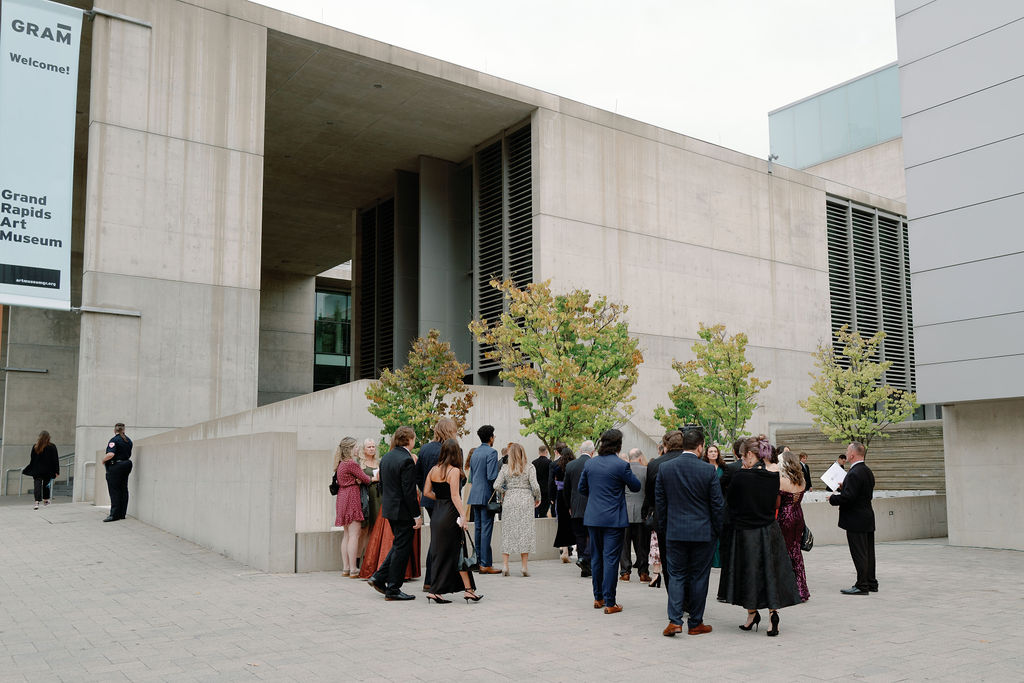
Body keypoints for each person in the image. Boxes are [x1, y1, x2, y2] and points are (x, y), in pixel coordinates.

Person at [717, 436, 801, 637]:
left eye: (743, 455)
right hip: (769, 530)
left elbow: (732, 506)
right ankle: (773, 614)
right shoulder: (773, 477)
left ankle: (752, 614)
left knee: (749, 573)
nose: (742, 459)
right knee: (770, 571)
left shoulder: (740, 477)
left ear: (750, 454)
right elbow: (775, 503)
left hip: (746, 532)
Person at [656, 428, 724, 637]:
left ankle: (675, 621)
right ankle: (695, 622)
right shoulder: (708, 471)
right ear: (701, 446)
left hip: (675, 532)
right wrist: (718, 532)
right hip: (703, 533)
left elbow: (661, 505)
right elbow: (717, 506)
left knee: (676, 575)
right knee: (699, 577)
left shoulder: (665, 468)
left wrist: (665, 530)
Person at [579, 429, 641, 614]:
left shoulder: (590, 464)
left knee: (597, 558)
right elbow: (636, 486)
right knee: (611, 559)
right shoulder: (621, 465)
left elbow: (582, 488)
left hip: (593, 517)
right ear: (618, 445)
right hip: (614, 519)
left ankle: (598, 598)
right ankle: (610, 602)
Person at [422, 439, 482, 604]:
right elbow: (455, 496)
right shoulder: (454, 471)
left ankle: (437, 590)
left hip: (437, 515)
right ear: (456, 454)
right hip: (450, 515)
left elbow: (426, 492)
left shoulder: (433, 469)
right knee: (458, 552)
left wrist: (440, 499)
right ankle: (467, 590)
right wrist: (463, 516)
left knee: (439, 553)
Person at [368, 426, 423, 601]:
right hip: (403, 511)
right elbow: (409, 491)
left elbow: (383, 485)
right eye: (414, 438)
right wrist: (417, 515)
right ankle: (393, 589)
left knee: (398, 545)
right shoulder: (406, 459)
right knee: (402, 549)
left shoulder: (387, 457)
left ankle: (378, 577)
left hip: (390, 508)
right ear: (409, 440)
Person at [829, 442, 877, 595]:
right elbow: (860, 493)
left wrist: (833, 498)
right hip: (867, 517)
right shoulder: (867, 471)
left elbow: (849, 498)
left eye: (847, 451)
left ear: (852, 455)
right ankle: (871, 582)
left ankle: (862, 585)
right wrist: (846, 487)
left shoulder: (855, 472)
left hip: (856, 519)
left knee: (859, 553)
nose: (846, 453)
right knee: (868, 552)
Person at [417, 418, 457, 590]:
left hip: (430, 500)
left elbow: (418, 475)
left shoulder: (425, 449)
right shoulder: (454, 449)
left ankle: (430, 579)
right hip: (448, 501)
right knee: (445, 540)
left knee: (436, 539)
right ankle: (438, 579)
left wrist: (430, 493)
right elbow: (458, 479)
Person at [642, 430, 685, 589]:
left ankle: (674, 595)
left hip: (663, 516)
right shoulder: (696, 462)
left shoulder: (655, 464)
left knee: (668, 561)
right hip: (691, 517)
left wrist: (649, 511)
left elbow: (649, 493)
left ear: (665, 445)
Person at [494, 443, 542, 576]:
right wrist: (537, 497)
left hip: (510, 499)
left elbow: (496, 485)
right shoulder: (530, 467)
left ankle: (505, 566)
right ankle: (524, 567)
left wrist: (505, 492)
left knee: (508, 531)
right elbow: (536, 486)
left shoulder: (505, 468)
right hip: (526, 500)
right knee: (525, 532)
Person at [334, 437, 372, 577]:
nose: (358, 449)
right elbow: (367, 479)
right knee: (354, 535)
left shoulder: (341, 464)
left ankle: (346, 568)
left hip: (342, 497)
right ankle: (354, 568)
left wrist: (357, 479)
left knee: (346, 535)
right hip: (352, 498)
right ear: (350, 449)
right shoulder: (352, 464)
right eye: (356, 447)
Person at [466, 425, 502, 574]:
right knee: (486, 529)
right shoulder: (492, 452)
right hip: (486, 495)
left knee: (479, 529)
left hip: (474, 494)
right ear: (491, 437)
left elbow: (473, 475)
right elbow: (492, 476)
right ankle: (485, 564)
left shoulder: (475, 453)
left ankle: (478, 561)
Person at [777, 451, 810, 602]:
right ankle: (801, 589)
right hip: (798, 515)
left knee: (784, 551)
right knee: (796, 551)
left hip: (786, 517)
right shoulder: (801, 479)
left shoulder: (782, 481)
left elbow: (778, 504)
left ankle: (787, 589)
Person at [564, 439, 594, 577]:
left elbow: (566, 489)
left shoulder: (570, 465)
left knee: (580, 537)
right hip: (591, 505)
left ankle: (583, 564)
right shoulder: (593, 464)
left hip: (575, 506)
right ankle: (586, 561)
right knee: (592, 535)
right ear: (592, 452)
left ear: (580, 451)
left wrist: (569, 505)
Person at [619, 448, 650, 582]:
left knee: (624, 544)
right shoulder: (646, 470)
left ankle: (625, 571)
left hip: (624, 511)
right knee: (642, 544)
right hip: (641, 512)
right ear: (639, 457)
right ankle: (643, 572)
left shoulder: (622, 470)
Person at [701, 444, 726, 568]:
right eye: (710, 451)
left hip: (720, 504)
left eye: (715, 451)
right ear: (706, 454)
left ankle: (719, 560)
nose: (713, 453)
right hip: (706, 504)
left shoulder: (723, 468)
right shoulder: (703, 467)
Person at [102, 423, 133, 522]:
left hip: (116, 466)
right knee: (123, 489)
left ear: (114, 430)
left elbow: (111, 454)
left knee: (114, 490)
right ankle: (122, 514)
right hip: (127, 464)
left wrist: (103, 460)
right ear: (124, 430)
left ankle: (114, 515)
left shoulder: (114, 440)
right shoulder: (128, 440)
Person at [551, 444, 576, 562]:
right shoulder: (574, 466)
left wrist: (552, 498)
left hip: (560, 496)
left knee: (563, 524)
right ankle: (580, 550)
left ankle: (565, 551)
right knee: (575, 523)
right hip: (572, 496)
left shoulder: (556, 466)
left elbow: (552, 482)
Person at [358, 439, 382, 560]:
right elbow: (358, 479)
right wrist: (373, 479)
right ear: (364, 449)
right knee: (364, 530)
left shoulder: (379, 462)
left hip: (378, 497)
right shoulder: (360, 463)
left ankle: (371, 558)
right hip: (365, 497)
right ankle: (358, 559)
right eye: (369, 447)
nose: (372, 449)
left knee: (375, 528)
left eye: (373, 446)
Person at [23, 431, 60, 510]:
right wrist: (57, 471)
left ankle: (37, 502)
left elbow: (32, 459)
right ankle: (46, 500)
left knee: (37, 486)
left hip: (37, 470)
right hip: (48, 470)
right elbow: (55, 460)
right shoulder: (52, 446)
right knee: (46, 485)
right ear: (48, 437)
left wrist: (31, 469)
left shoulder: (35, 446)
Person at [532, 445, 552, 518]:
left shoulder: (534, 463)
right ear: (546, 451)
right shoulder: (549, 462)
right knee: (544, 510)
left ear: (539, 452)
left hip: (537, 489)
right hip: (546, 490)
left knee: (537, 508)